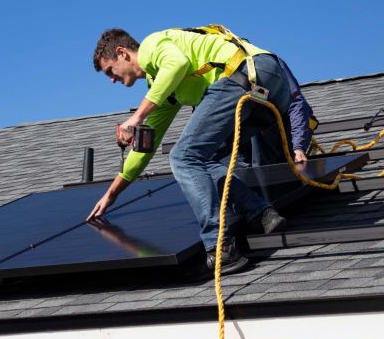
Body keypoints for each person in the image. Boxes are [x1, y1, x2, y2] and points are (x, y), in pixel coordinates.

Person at [87, 27, 312, 274]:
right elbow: (145, 149)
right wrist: (111, 194)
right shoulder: (162, 89)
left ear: (122, 53)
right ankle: (261, 213)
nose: (111, 79)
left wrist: (137, 117)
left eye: (110, 70)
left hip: (245, 73)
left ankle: (221, 247)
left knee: (183, 156)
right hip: (269, 92)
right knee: (204, 159)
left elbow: (176, 63)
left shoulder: (152, 46)